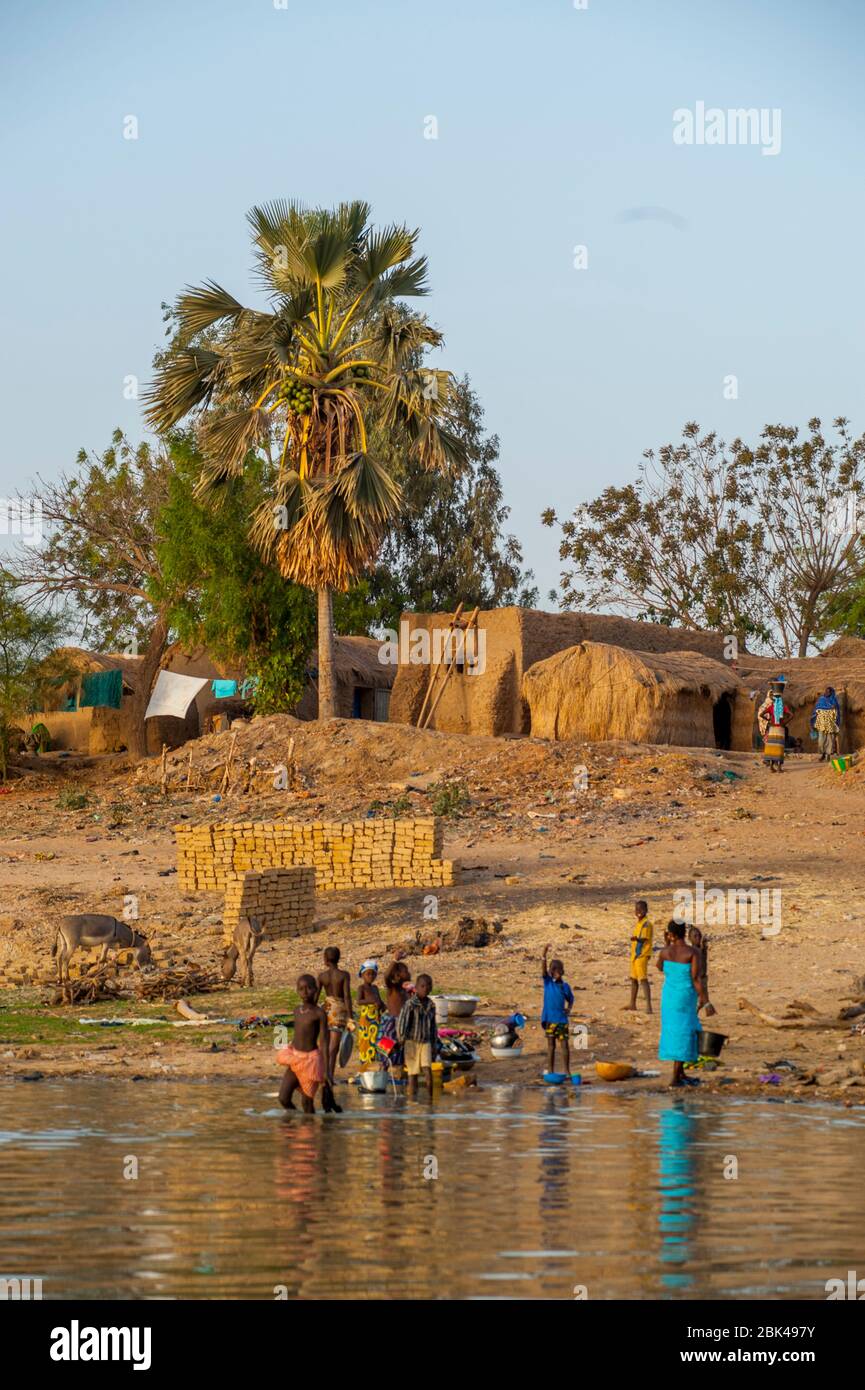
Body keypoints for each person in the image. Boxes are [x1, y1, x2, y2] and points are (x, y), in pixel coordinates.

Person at [655, 921, 709, 1086]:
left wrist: (666, 945)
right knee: (685, 1033)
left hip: (669, 998)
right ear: (684, 934)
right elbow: (696, 978)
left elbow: (660, 967)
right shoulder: (692, 952)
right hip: (685, 997)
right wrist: (706, 1001)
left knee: (675, 1032)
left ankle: (681, 1074)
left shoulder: (665, 952)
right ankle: (675, 1078)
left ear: (670, 934)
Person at [277, 974, 328, 1113]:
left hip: (311, 1062)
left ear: (316, 990)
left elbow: (324, 1041)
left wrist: (326, 1070)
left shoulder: (319, 1013)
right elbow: (297, 1034)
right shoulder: (296, 1011)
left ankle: (309, 1131)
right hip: (295, 1059)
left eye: (309, 988)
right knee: (283, 1098)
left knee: (307, 1104)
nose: (305, 992)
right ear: (297, 991)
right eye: (301, 989)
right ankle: (293, 1126)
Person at [396, 972, 438, 1098]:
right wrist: (401, 1039)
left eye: (428, 986)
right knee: (412, 1075)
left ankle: (430, 1102)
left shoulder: (431, 1005)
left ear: (431, 988)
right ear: (417, 988)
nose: (425, 989)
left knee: (428, 1071)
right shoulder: (410, 1004)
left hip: (426, 1042)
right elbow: (402, 1023)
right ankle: (412, 1102)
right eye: (422, 986)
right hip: (411, 1042)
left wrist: (434, 1045)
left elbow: (433, 1027)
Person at [316, 946, 353, 1083]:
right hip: (339, 1010)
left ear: (325, 960)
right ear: (338, 958)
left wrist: (312, 1012)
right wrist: (350, 1017)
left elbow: (315, 997)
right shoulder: (344, 975)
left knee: (325, 1044)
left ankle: (323, 1074)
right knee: (334, 1046)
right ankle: (329, 1075)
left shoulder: (322, 976)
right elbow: (347, 996)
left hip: (325, 1008)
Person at [541, 944, 574, 1074]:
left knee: (564, 1045)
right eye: (553, 970)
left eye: (557, 971)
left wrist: (569, 1009)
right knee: (551, 1047)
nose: (555, 973)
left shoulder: (565, 986)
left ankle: (567, 1071)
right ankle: (550, 1071)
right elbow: (543, 971)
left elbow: (571, 999)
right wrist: (544, 954)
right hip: (550, 1020)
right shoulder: (548, 982)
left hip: (561, 1020)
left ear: (560, 972)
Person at [378, 960, 410, 1072]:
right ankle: (383, 1067)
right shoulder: (393, 988)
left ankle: (400, 1068)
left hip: (402, 1022)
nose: (409, 973)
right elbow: (386, 976)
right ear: (397, 975)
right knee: (387, 1046)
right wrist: (394, 961)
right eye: (405, 971)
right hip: (391, 1022)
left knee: (401, 1047)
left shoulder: (405, 990)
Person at [624, 899, 653, 1014]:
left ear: (646, 910)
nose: (638, 911)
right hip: (635, 956)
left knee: (643, 979)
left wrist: (635, 939)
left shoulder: (646, 924)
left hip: (642, 955)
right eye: (637, 909)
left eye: (641, 909)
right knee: (634, 979)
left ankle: (649, 1006)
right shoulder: (639, 923)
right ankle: (632, 1003)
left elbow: (644, 938)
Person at [758, 678, 792, 772]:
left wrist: (768, 720)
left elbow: (761, 714)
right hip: (780, 729)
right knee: (780, 748)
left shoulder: (771, 707)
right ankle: (779, 768)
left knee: (772, 747)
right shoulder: (783, 707)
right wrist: (784, 722)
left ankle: (772, 767)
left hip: (772, 728)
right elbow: (791, 715)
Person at [356, 960, 383, 1069]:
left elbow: (379, 1001)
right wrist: (371, 1001)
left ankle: (373, 1062)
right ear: (362, 975)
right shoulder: (361, 988)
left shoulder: (375, 988)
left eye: (373, 974)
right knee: (365, 1041)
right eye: (368, 974)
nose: (370, 976)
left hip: (376, 1019)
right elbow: (359, 1001)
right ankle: (364, 1063)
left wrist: (383, 1006)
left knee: (375, 1039)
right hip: (366, 1020)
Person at [687, 925, 716, 1018]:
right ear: (689, 939)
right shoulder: (692, 951)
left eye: (699, 935)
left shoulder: (700, 949)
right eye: (695, 936)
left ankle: (692, 1016)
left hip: (703, 978)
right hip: (696, 979)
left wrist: (704, 949)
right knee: (701, 1000)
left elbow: (704, 961)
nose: (698, 938)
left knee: (702, 1001)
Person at [810, 686, 841, 761]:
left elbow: (837, 712)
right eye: (826, 691)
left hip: (830, 724)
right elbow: (816, 711)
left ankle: (828, 756)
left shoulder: (834, 700)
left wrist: (836, 722)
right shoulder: (821, 700)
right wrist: (813, 722)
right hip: (821, 724)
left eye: (828, 692)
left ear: (831, 693)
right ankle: (823, 753)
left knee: (830, 741)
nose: (826, 693)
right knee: (821, 741)